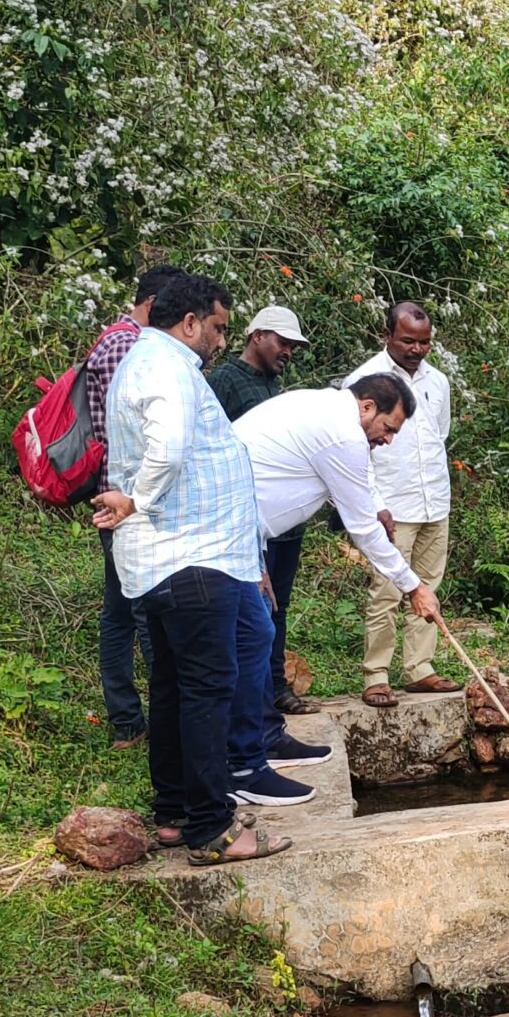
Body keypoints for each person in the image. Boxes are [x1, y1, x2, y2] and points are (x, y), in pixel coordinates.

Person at [89, 270, 294, 861]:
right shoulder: (167, 366)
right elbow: (171, 446)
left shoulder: (151, 363)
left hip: (176, 558)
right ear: (190, 323)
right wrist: (137, 498)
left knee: (177, 688)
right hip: (192, 557)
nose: (222, 340)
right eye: (219, 327)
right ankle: (212, 829)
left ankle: (176, 812)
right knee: (207, 689)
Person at [235, 376, 443, 670]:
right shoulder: (344, 434)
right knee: (252, 637)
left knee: (256, 632)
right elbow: (363, 529)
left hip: (243, 533)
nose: (388, 440)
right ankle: (249, 716)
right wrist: (414, 587)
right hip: (228, 534)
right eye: (388, 428)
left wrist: (255, 557)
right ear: (367, 407)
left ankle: (257, 714)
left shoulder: (327, 406)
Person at [77, 264, 179, 751]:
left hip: (119, 497)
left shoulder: (114, 339)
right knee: (140, 612)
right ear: (156, 304)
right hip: (126, 502)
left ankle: (130, 721)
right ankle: (148, 722)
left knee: (121, 610)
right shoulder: (129, 346)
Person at [205, 305, 322, 718]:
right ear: (257, 336)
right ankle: (252, 700)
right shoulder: (224, 382)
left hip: (285, 526)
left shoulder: (276, 387)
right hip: (245, 524)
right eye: (283, 342)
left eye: (293, 346)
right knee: (250, 612)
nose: (288, 351)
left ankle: (275, 688)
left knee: (278, 607)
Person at [343, 301, 458, 708]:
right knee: (387, 591)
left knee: (428, 586)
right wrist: (374, 503)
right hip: (391, 505)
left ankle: (420, 669)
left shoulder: (439, 381)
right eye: (408, 340)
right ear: (387, 335)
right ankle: (376, 674)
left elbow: (437, 437)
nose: (417, 349)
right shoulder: (364, 382)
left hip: (434, 501)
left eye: (424, 342)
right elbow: (354, 450)